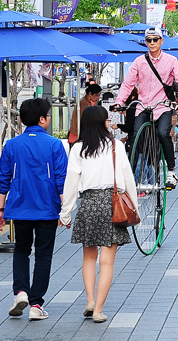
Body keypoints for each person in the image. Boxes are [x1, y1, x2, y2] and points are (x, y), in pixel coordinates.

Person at [59, 106, 136, 323]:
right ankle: (99, 310)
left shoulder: (78, 148)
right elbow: (127, 177)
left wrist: (66, 213)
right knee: (108, 262)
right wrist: (135, 209)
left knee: (89, 257)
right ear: (103, 122)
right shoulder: (115, 146)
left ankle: (90, 300)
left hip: (89, 203)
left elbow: (71, 182)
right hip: (112, 204)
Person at [0, 98, 68, 321]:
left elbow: (3, 179)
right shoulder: (55, 145)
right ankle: (36, 305)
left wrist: (0, 210)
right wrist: (65, 211)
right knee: (43, 256)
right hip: (47, 209)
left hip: (19, 209)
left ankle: (20, 292)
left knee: (21, 250)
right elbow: (61, 181)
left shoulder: (12, 145)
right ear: (42, 119)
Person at [113, 27, 178, 189]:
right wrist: (119, 101)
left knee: (163, 133)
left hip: (163, 106)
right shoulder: (139, 61)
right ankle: (129, 176)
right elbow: (128, 84)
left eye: (156, 39)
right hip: (143, 106)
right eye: (149, 40)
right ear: (145, 42)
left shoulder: (171, 61)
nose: (152, 43)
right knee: (134, 137)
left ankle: (171, 171)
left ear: (162, 41)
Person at [111, 87, 138, 153]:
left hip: (136, 142)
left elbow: (128, 127)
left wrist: (118, 126)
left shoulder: (132, 106)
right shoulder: (139, 104)